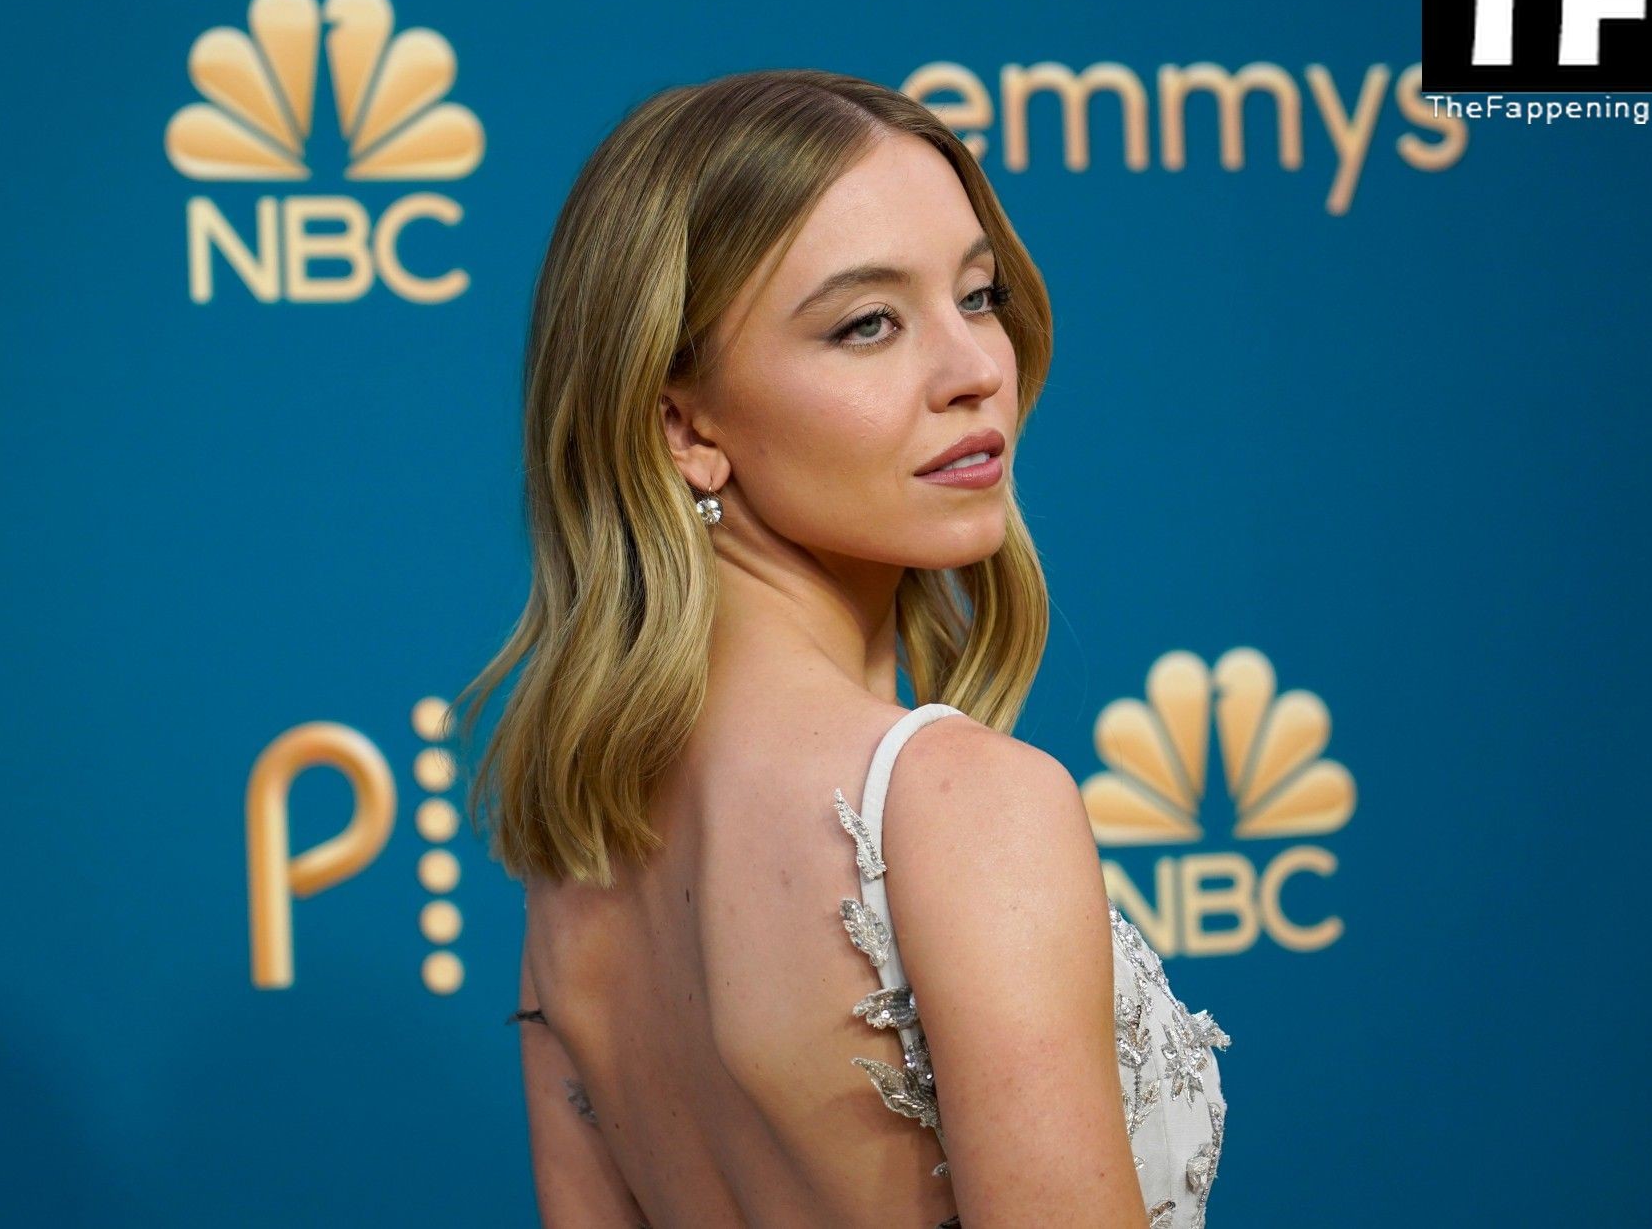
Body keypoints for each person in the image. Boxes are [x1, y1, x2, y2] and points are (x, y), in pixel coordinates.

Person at [454, 68, 1230, 1228]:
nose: (976, 369)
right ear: (683, 424)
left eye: (978, 295)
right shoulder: (964, 805)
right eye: (867, 323)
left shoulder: (574, 874)